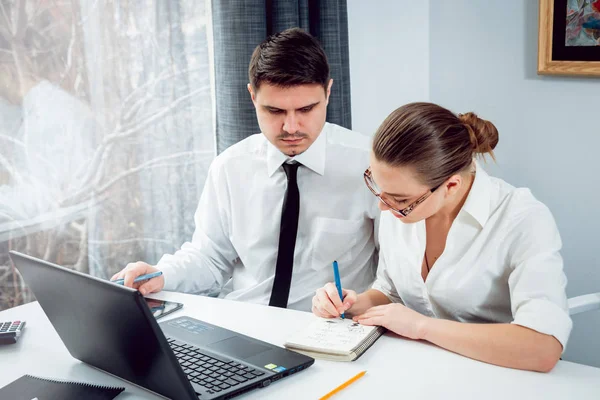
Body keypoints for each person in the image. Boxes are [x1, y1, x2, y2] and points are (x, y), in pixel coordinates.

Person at [111, 28, 379, 311]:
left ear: (327, 92)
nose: (291, 127)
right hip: (246, 321)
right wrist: (160, 274)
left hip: (331, 328)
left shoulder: (371, 165)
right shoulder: (229, 167)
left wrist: (357, 305)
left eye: (305, 110)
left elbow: (392, 277)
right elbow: (210, 258)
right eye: (274, 111)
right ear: (253, 97)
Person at [312, 102, 572, 372]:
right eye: (376, 185)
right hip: (424, 370)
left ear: (450, 185)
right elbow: (391, 292)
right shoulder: (400, 208)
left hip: (503, 375)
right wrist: (351, 303)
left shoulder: (522, 219)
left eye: (400, 199)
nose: (383, 207)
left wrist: (421, 327)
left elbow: (542, 348)